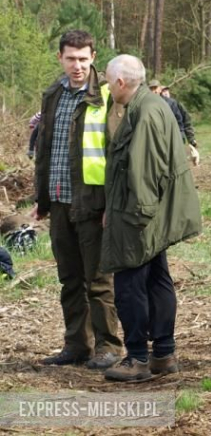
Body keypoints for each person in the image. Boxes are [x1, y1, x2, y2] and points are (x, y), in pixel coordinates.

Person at [100, 55, 202, 382]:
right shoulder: (152, 105)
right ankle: (164, 354)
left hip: (139, 214)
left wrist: (134, 217)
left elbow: (143, 171)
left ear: (120, 82)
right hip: (152, 211)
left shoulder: (144, 113)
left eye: (108, 81)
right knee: (158, 278)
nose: (107, 87)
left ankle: (138, 359)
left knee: (129, 284)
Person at [32, 30, 122, 370]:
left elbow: (116, 154)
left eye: (83, 59)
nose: (77, 66)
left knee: (98, 281)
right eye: (71, 58)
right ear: (60, 58)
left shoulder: (107, 96)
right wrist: (42, 198)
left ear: (93, 58)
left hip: (92, 204)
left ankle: (108, 347)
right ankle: (76, 345)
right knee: (69, 279)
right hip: (59, 201)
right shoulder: (53, 94)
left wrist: (111, 204)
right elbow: (46, 149)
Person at [160, 85, 199, 166]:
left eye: (166, 90)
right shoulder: (158, 105)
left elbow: (186, 121)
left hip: (179, 135)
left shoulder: (176, 104)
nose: (165, 93)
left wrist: (191, 139)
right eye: (163, 91)